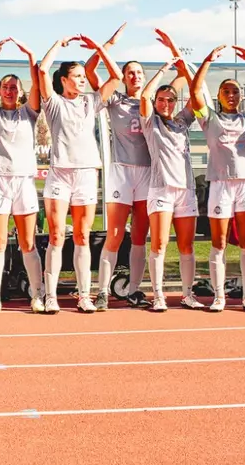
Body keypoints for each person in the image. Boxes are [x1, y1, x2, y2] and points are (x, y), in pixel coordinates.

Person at [38, 33, 122, 313]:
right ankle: (50, 296)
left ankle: (84, 295)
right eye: (76, 76)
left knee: (82, 236)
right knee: (56, 236)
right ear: (64, 80)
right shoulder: (53, 103)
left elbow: (116, 77)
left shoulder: (90, 102)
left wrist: (100, 47)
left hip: (86, 173)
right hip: (60, 175)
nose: (82, 80)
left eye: (83, 76)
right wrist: (57, 44)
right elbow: (42, 70)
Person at [191, 45, 245, 312]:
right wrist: (207, 60)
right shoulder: (209, 119)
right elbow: (195, 92)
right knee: (219, 243)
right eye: (225, 91)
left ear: (240, 96)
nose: (231, 95)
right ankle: (219, 296)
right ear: (218, 96)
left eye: (235, 91)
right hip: (220, 184)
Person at [0, 38, 45, 313]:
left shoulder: (29, 113)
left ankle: (38, 294)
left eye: (13, 87)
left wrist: (30, 57)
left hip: (23, 182)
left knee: (27, 242)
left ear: (20, 92)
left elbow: (37, 86)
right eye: (4, 87)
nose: (8, 91)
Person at [139, 35, 201, 311]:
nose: (165, 103)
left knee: (187, 246)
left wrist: (177, 54)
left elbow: (195, 90)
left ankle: (188, 294)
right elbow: (144, 96)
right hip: (161, 189)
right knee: (160, 243)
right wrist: (165, 69)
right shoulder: (150, 122)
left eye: (170, 100)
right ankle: (158, 295)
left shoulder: (182, 121)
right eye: (161, 99)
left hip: (185, 190)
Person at [92, 24, 151, 309]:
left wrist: (174, 55)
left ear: (145, 77)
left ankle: (134, 290)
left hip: (147, 173)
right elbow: (90, 72)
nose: (135, 76)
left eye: (139, 72)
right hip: (122, 171)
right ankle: (103, 291)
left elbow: (181, 83)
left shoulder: (154, 102)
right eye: (130, 73)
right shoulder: (115, 100)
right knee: (115, 235)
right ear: (123, 77)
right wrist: (108, 45)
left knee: (139, 236)